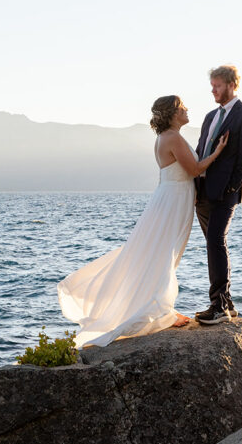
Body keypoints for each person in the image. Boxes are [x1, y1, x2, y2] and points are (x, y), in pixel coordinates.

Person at [58, 96, 228, 348]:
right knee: (163, 254)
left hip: (174, 198)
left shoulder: (168, 137)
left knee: (165, 253)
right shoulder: (171, 138)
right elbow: (193, 169)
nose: (186, 110)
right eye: (181, 107)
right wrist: (217, 152)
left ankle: (160, 308)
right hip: (173, 200)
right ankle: (160, 312)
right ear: (171, 114)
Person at [194, 65, 242, 325]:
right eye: (212, 86)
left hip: (224, 193)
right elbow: (201, 151)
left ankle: (218, 306)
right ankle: (226, 303)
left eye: (217, 86)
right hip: (202, 192)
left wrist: (230, 188)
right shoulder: (210, 117)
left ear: (232, 85)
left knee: (215, 241)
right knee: (214, 246)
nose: (213, 90)